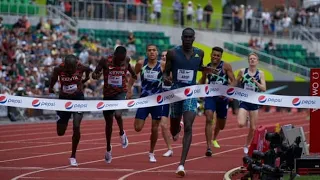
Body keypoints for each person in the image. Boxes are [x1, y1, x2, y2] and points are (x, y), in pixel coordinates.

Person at [163, 27, 213, 177]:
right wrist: (166, 77)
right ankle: (176, 127)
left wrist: (206, 69)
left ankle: (181, 164)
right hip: (176, 92)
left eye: (190, 37)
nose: (187, 39)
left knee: (189, 126)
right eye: (185, 37)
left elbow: (198, 67)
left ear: (193, 38)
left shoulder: (200, 53)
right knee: (173, 130)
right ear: (181, 37)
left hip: (191, 92)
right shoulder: (173, 53)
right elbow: (166, 71)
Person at [91, 46, 136, 163]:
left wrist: (133, 79)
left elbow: (131, 71)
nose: (120, 61)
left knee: (118, 114)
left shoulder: (126, 60)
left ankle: (122, 133)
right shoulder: (105, 60)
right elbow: (95, 74)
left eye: (122, 60)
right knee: (108, 124)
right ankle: (108, 148)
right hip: (108, 95)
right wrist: (96, 75)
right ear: (114, 55)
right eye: (118, 59)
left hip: (121, 92)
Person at [49, 54, 92, 166]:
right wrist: (51, 88)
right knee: (60, 132)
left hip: (78, 98)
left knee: (76, 126)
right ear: (65, 65)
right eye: (68, 68)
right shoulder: (58, 68)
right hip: (63, 99)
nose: (70, 70)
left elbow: (89, 69)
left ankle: (73, 156)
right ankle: (61, 118)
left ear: (75, 65)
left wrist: (86, 79)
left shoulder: (81, 67)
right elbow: (53, 78)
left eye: (72, 68)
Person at [127, 44, 165, 163]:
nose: (152, 52)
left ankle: (151, 152)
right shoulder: (140, 64)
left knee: (155, 128)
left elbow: (171, 78)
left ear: (157, 52)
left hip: (157, 101)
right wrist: (129, 89)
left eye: (154, 50)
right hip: (144, 100)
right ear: (146, 52)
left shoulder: (162, 65)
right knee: (137, 128)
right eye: (149, 50)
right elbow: (133, 76)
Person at [199, 46, 236, 156]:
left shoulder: (225, 66)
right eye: (214, 55)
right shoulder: (207, 67)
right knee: (209, 117)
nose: (215, 57)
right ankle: (209, 146)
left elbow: (233, 81)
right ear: (210, 55)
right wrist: (198, 87)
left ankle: (214, 137)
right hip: (211, 96)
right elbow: (202, 80)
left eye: (218, 56)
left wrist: (228, 91)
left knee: (221, 125)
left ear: (221, 57)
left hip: (222, 98)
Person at [236, 52, 266, 154]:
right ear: (248, 61)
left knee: (253, 128)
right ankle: (246, 118)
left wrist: (256, 82)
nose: (252, 60)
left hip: (254, 102)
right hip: (244, 100)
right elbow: (236, 82)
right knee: (240, 124)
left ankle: (246, 145)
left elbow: (264, 88)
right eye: (250, 59)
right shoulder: (242, 71)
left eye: (254, 59)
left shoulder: (260, 73)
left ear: (257, 61)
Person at [160, 50, 173, 157]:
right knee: (163, 125)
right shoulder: (157, 66)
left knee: (175, 126)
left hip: (175, 96)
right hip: (162, 97)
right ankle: (170, 149)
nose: (164, 57)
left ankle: (179, 125)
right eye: (162, 56)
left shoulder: (175, 66)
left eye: (166, 56)